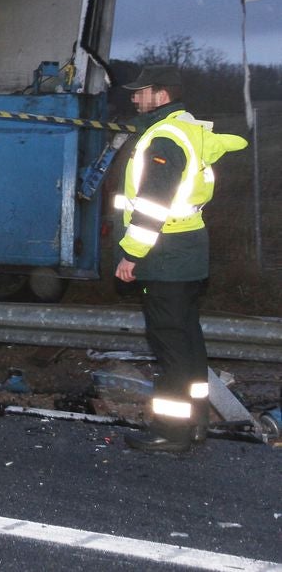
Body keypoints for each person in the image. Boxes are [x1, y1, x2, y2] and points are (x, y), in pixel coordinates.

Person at [113, 65, 247, 453]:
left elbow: (153, 205)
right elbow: (221, 147)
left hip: (165, 254)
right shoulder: (189, 128)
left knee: (170, 346)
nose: (135, 98)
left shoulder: (165, 138)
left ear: (162, 95)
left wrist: (130, 255)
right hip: (189, 251)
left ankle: (170, 432)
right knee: (189, 343)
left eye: (142, 92)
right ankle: (197, 422)